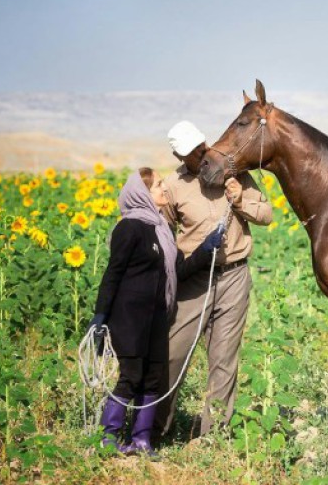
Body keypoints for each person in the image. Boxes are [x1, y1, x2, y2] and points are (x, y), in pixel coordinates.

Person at [89, 167, 223, 456]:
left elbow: (178, 271)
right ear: (142, 193)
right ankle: (108, 436)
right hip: (129, 318)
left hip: (156, 318)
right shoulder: (129, 228)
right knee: (131, 376)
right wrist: (100, 317)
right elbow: (112, 274)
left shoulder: (162, 229)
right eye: (159, 185)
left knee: (152, 379)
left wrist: (205, 249)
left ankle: (141, 440)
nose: (164, 189)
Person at [155, 120, 272, 438]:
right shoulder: (172, 186)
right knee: (172, 353)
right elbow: (163, 235)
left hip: (233, 275)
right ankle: (154, 430)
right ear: (180, 158)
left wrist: (239, 199)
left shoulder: (236, 174)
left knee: (223, 360)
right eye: (193, 153)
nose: (201, 154)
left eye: (202, 146)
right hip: (193, 280)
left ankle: (214, 436)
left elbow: (266, 215)